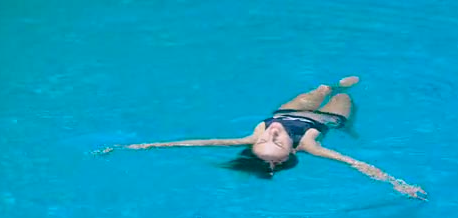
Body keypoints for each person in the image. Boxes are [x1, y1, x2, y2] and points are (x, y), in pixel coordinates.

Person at [94, 76, 427, 200]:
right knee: (346, 100)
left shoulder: (255, 135)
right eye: (278, 140)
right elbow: (352, 163)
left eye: (269, 136)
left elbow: (199, 141)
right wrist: (396, 183)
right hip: (330, 119)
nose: (274, 132)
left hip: (288, 109)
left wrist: (142, 145)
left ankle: (329, 86)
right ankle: (344, 103)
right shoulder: (309, 145)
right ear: (290, 152)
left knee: (320, 89)